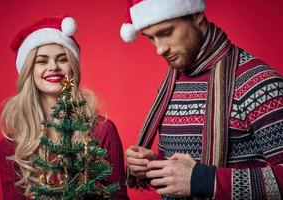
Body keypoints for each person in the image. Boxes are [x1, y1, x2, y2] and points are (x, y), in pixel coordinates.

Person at [120, 0, 283, 199]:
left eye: (166, 33)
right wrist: (153, 165)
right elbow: (181, 178)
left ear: (196, 16)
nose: (159, 49)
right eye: (150, 38)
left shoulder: (258, 83)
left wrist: (202, 180)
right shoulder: (170, 85)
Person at [0, 15, 129, 200]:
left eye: (62, 59)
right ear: (28, 71)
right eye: (42, 61)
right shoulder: (12, 147)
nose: (53, 67)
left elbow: (118, 196)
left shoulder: (102, 131)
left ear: (73, 68)